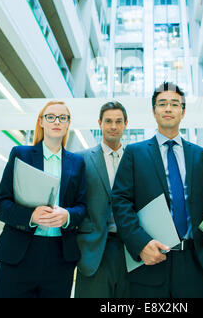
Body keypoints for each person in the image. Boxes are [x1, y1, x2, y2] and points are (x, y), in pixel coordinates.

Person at [112, 82, 203, 298]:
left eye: (174, 103)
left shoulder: (201, 156)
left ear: (183, 111)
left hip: (196, 263)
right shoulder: (135, 153)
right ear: (154, 111)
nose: (168, 108)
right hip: (151, 259)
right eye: (162, 104)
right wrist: (141, 244)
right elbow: (120, 201)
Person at [0, 101, 87, 298]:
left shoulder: (77, 163)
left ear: (68, 124)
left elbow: (83, 207)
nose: (57, 121)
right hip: (18, 253)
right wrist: (31, 215)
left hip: (59, 258)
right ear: (41, 122)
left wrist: (68, 215)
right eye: (50, 116)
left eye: (63, 118)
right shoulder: (21, 154)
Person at [74, 101, 130, 298]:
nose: (113, 126)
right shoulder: (81, 159)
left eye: (118, 121)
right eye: (108, 121)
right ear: (100, 123)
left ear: (125, 124)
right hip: (93, 248)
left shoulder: (136, 159)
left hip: (129, 249)